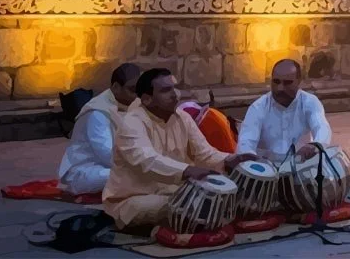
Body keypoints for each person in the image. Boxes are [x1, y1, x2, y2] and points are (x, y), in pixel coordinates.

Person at [102, 69, 256, 230]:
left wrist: (228, 160)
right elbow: (147, 160)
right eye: (165, 90)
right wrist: (187, 170)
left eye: (174, 87)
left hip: (177, 191)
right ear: (147, 99)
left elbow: (205, 154)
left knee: (216, 198)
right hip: (134, 198)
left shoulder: (183, 118)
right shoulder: (132, 122)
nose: (175, 94)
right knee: (182, 206)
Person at [57, 63, 141, 196]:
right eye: (132, 89)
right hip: (85, 171)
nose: (137, 95)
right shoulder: (97, 112)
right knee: (128, 177)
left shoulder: (135, 105)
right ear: (116, 87)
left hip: (119, 165)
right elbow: (107, 154)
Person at [236, 59, 332, 163]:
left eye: (287, 83)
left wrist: (314, 146)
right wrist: (251, 159)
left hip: (301, 167)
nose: (280, 88)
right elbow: (245, 143)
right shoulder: (258, 107)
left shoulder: (310, 102)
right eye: (276, 82)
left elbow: (322, 128)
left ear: (299, 81)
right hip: (267, 171)